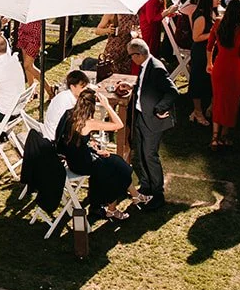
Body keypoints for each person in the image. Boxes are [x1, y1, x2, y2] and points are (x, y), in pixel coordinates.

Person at [58, 88, 140, 222]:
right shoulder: (88, 123)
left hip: (75, 159)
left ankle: (134, 196)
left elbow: (74, 141)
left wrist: (93, 148)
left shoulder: (70, 114)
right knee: (117, 169)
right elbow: (119, 124)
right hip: (83, 164)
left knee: (117, 161)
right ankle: (113, 208)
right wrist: (107, 106)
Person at [126, 39, 175, 209]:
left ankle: (157, 193)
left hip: (153, 120)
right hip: (142, 116)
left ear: (138, 55)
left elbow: (172, 92)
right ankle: (146, 186)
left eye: (131, 56)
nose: (131, 59)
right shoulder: (145, 66)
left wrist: (159, 109)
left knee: (150, 155)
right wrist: (132, 87)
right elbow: (144, 87)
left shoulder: (156, 69)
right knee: (140, 152)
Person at [206, 0, 240, 148]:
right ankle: (224, 135)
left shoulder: (219, 22)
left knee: (218, 99)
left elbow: (210, 45)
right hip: (235, 69)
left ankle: (214, 136)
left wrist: (209, 62)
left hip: (220, 65)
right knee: (232, 101)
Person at [188, 0, 219, 127]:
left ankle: (209, 107)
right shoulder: (200, 15)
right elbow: (196, 37)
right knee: (198, 81)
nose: (219, 0)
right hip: (200, 52)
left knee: (209, 80)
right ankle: (197, 111)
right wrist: (214, 33)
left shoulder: (213, 12)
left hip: (210, 51)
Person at [42, 69, 86, 143]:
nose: (85, 90)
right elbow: (72, 128)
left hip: (51, 133)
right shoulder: (68, 102)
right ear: (72, 87)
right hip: (55, 139)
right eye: (82, 87)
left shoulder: (65, 95)